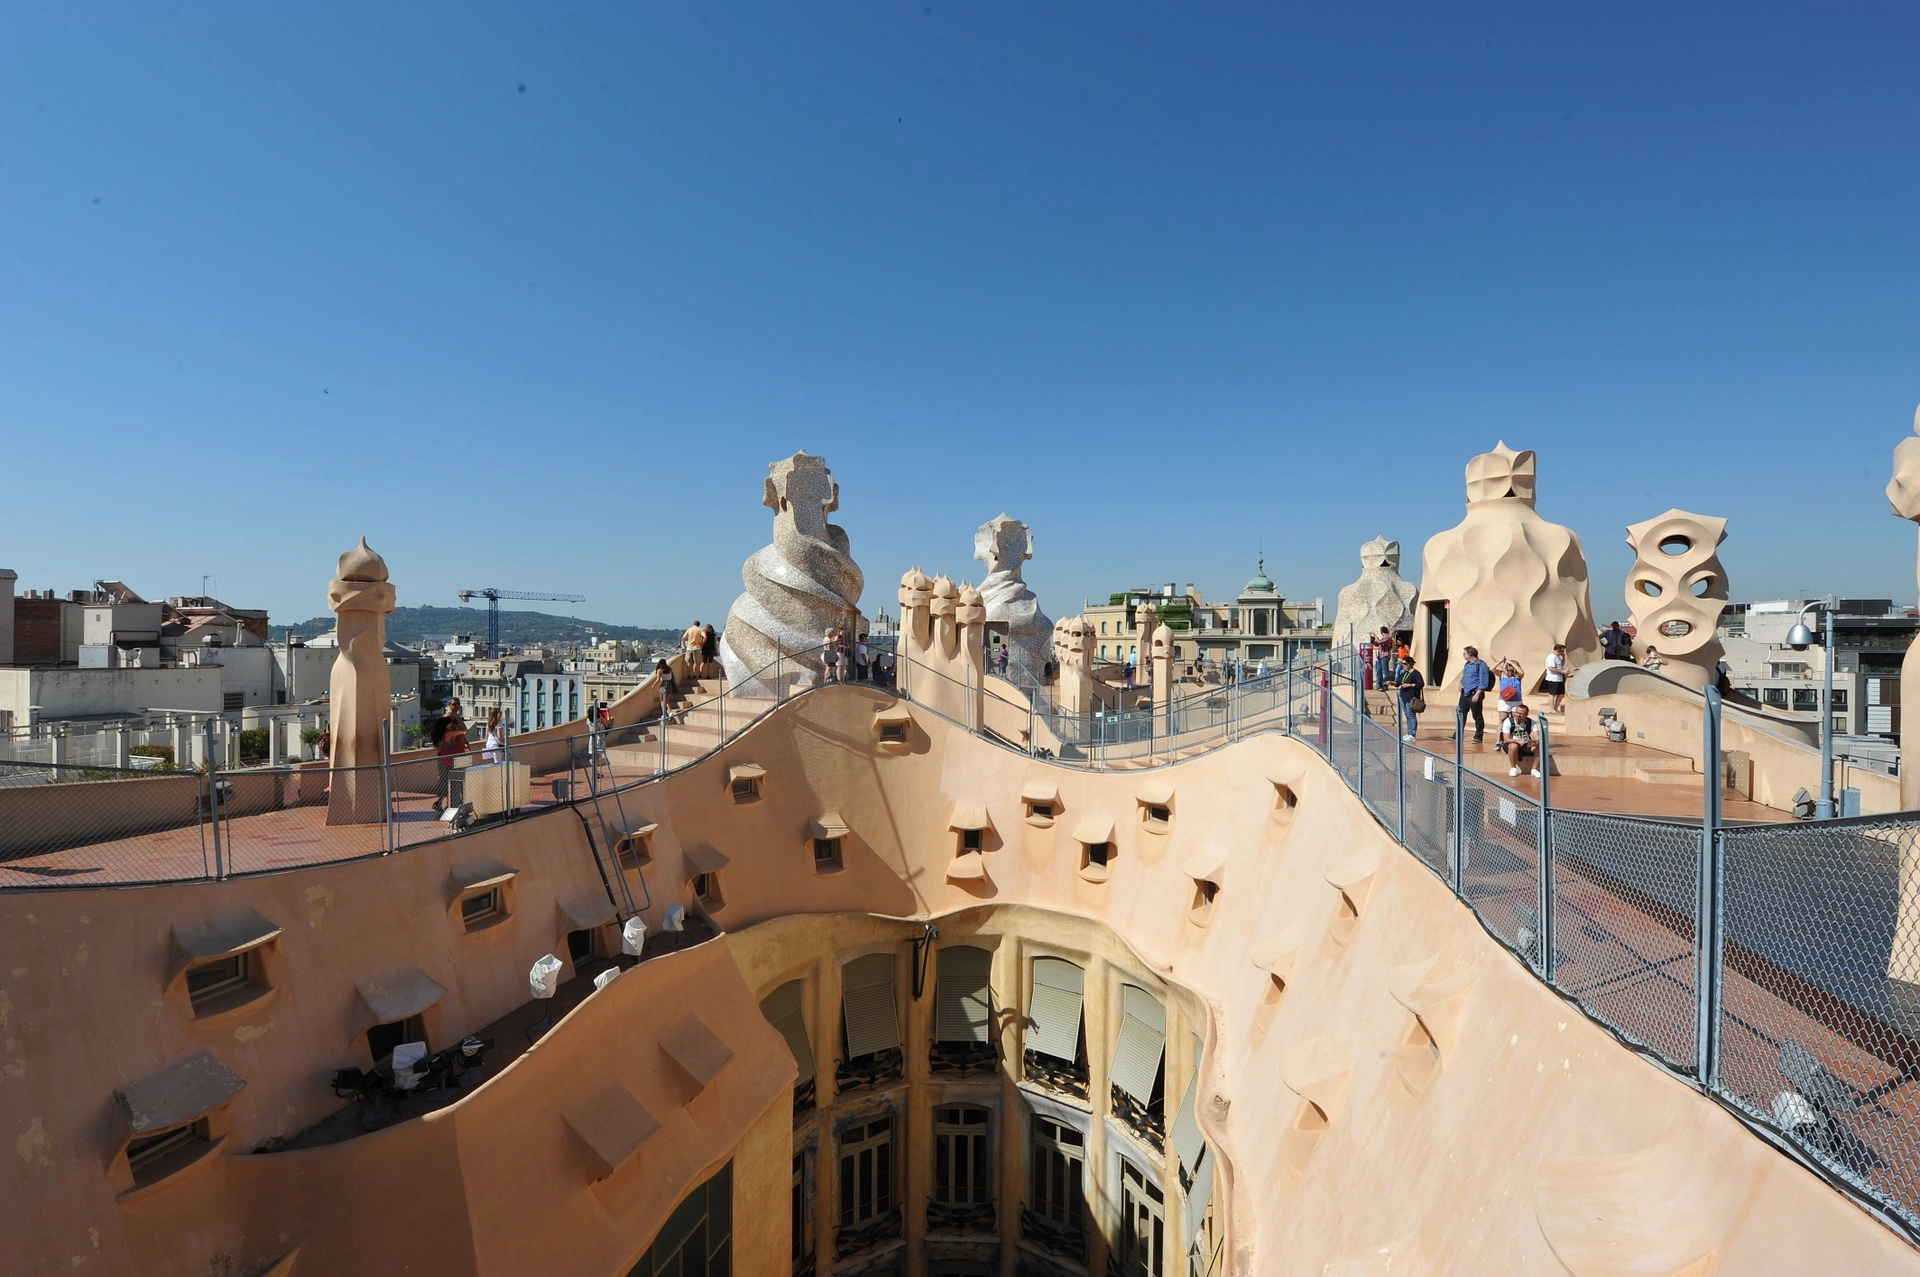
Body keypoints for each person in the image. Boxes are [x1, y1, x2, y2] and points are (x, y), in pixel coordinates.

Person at [432, 713, 469, 813]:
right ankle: (444, 804)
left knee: (448, 783)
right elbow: (464, 730)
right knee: (448, 784)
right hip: (447, 762)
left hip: (448, 762)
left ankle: (442, 804)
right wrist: (459, 719)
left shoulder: (445, 734)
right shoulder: (447, 734)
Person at [1457, 645, 1492, 743]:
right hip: (1465, 693)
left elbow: (1483, 680)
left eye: (1464, 653)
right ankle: (1458, 734)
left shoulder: (1481, 664)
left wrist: (1477, 694)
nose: (1463, 655)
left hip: (1474, 693)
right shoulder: (1467, 664)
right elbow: (1464, 675)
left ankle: (1478, 736)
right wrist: (1461, 683)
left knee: (1477, 715)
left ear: (1470, 654)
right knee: (1461, 714)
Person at [1499, 702, 1540, 777]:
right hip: (1511, 744)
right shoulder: (1508, 721)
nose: (1518, 715)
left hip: (1525, 744)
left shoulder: (1532, 722)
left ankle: (1534, 769)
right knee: (1513, 746)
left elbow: (1537, 736)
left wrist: (1535, 742)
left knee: (1538, 747)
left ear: (1526, 714)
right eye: (1517, 712)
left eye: (1521, 714)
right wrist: (1517, 741)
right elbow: (1506, 738)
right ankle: (1513, 768)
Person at [1395, 656, 1426, 741]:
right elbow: (1398, 682)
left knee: (1411, 715)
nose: (1403, 665)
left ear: (1410, 664)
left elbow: (1421, 684)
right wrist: (1391, 682)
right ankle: (1409, 732)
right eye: (1402, 664)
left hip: (1411, 697)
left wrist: (1410, 685)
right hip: (1404, 696)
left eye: (1405, 664)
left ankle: (1412, 734)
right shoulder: (1404, 673)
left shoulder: (1416, 673)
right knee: (1407, 715)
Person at [1542, 644, 1569, 714]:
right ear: (1558, 650)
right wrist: (1562, 672)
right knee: (1552, 694)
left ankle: (1555, 708)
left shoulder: (1557, 657)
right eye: (1562, 650)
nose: (1563, 652)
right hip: (1553, 678)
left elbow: (1561, 665)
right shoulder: (1552, 657)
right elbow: (1551, 668)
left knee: (1561, 694)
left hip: (1558, 678)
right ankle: (1551, 708)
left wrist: (1564, 656)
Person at [1374, 627, 1393, 691]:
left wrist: (1375, 637)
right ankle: (1379, 685)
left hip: (1385, 656)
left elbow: (1380, 642)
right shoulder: (1383, 638)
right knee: (1379, 671)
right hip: (1380, 656)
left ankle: (1385, 685)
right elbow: (1378, 644)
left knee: (1385, 671)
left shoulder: (1388, 637)